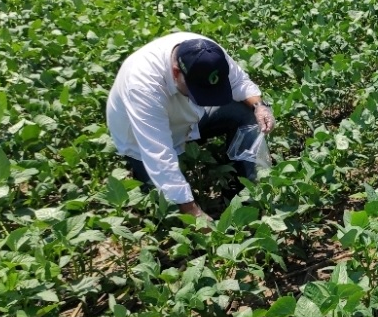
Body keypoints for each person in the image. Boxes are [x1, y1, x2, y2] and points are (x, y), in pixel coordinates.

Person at [106, 32, 275, 219]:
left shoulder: (208, 52)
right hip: (141, 140)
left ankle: (253, 190)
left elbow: (239, 82)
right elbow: (159, 155)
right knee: (167, 211)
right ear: (177, 73)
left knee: (247, 114)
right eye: (199, 92)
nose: (206, 99)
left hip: (190, 118)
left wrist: (259, 107)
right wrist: (193, 212)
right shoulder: (143, 85)